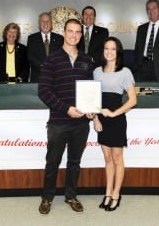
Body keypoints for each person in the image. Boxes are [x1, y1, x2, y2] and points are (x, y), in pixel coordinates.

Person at [38, 18, 94, 214]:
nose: (74, 35)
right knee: (52, 162)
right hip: (59, 122)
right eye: (70, 31)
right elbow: (44, 91)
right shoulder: (52, 59)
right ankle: (47, 198)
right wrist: (66, 108)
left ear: (81, 35)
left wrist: (91, 109)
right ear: (64, 33)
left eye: (78, 32)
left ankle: (71, 196)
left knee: (74, 162)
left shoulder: (87, 60)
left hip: (81, 123)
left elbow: (91, 92)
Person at [93, 37, 137, 211]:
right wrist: (95, 119)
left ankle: (117, 194)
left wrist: (113, 113)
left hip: (117, 119)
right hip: (101, 120)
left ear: (118, 52)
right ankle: (108, 193)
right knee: (107, 159)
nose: (109, 52)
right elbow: (93, 98)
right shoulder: (96, 71)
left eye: (113, 49)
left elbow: (133, 100)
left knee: (117, 159)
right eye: (106, 48)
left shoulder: (125, 72)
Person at [27, 12, 63, 82]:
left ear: (51, 24)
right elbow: (30, 56)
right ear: (39, 24)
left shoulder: (59, 38)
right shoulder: (32, 38)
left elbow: (61, 56)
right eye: (43, 21)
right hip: (38, 77)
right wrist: (44, 67)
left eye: (48, 21)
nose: (45, 23)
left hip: (56, 77)